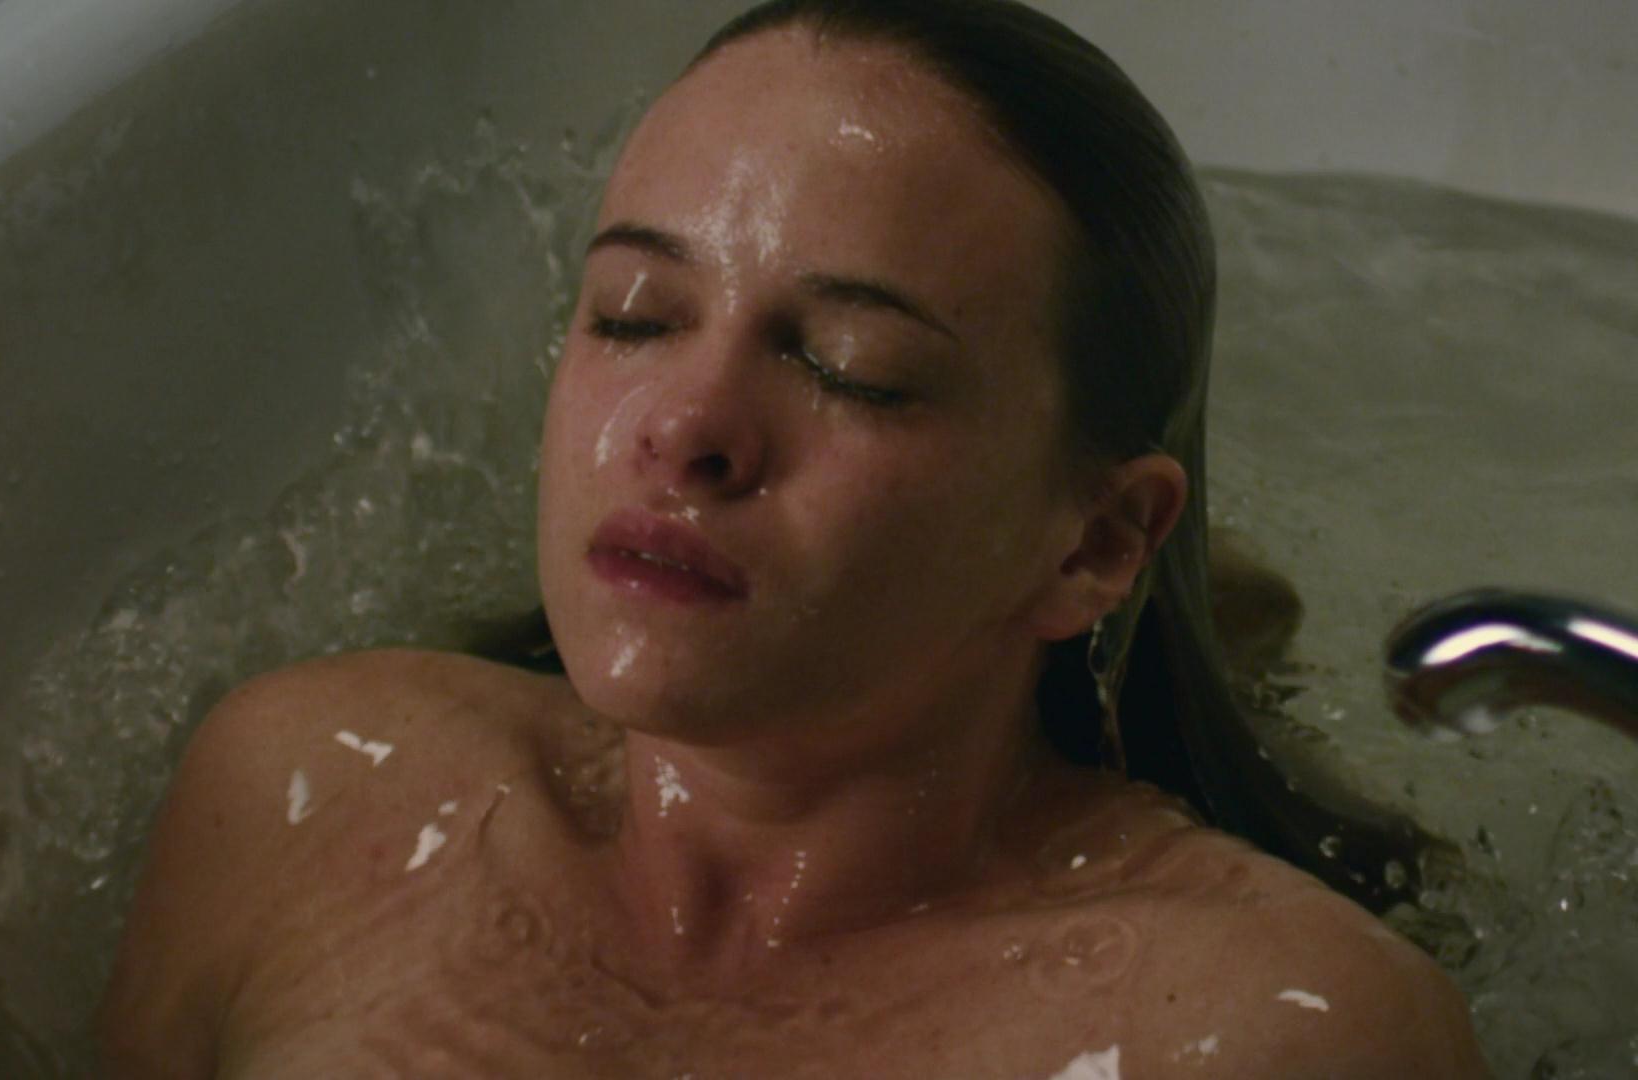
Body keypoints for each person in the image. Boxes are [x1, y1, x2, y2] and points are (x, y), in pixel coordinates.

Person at [99, 1, 1489, 1075]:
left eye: (850, 370)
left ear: (1097, 543)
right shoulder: (308, 799)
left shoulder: (1251, 1032)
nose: (684, 427)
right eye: (635, 315)